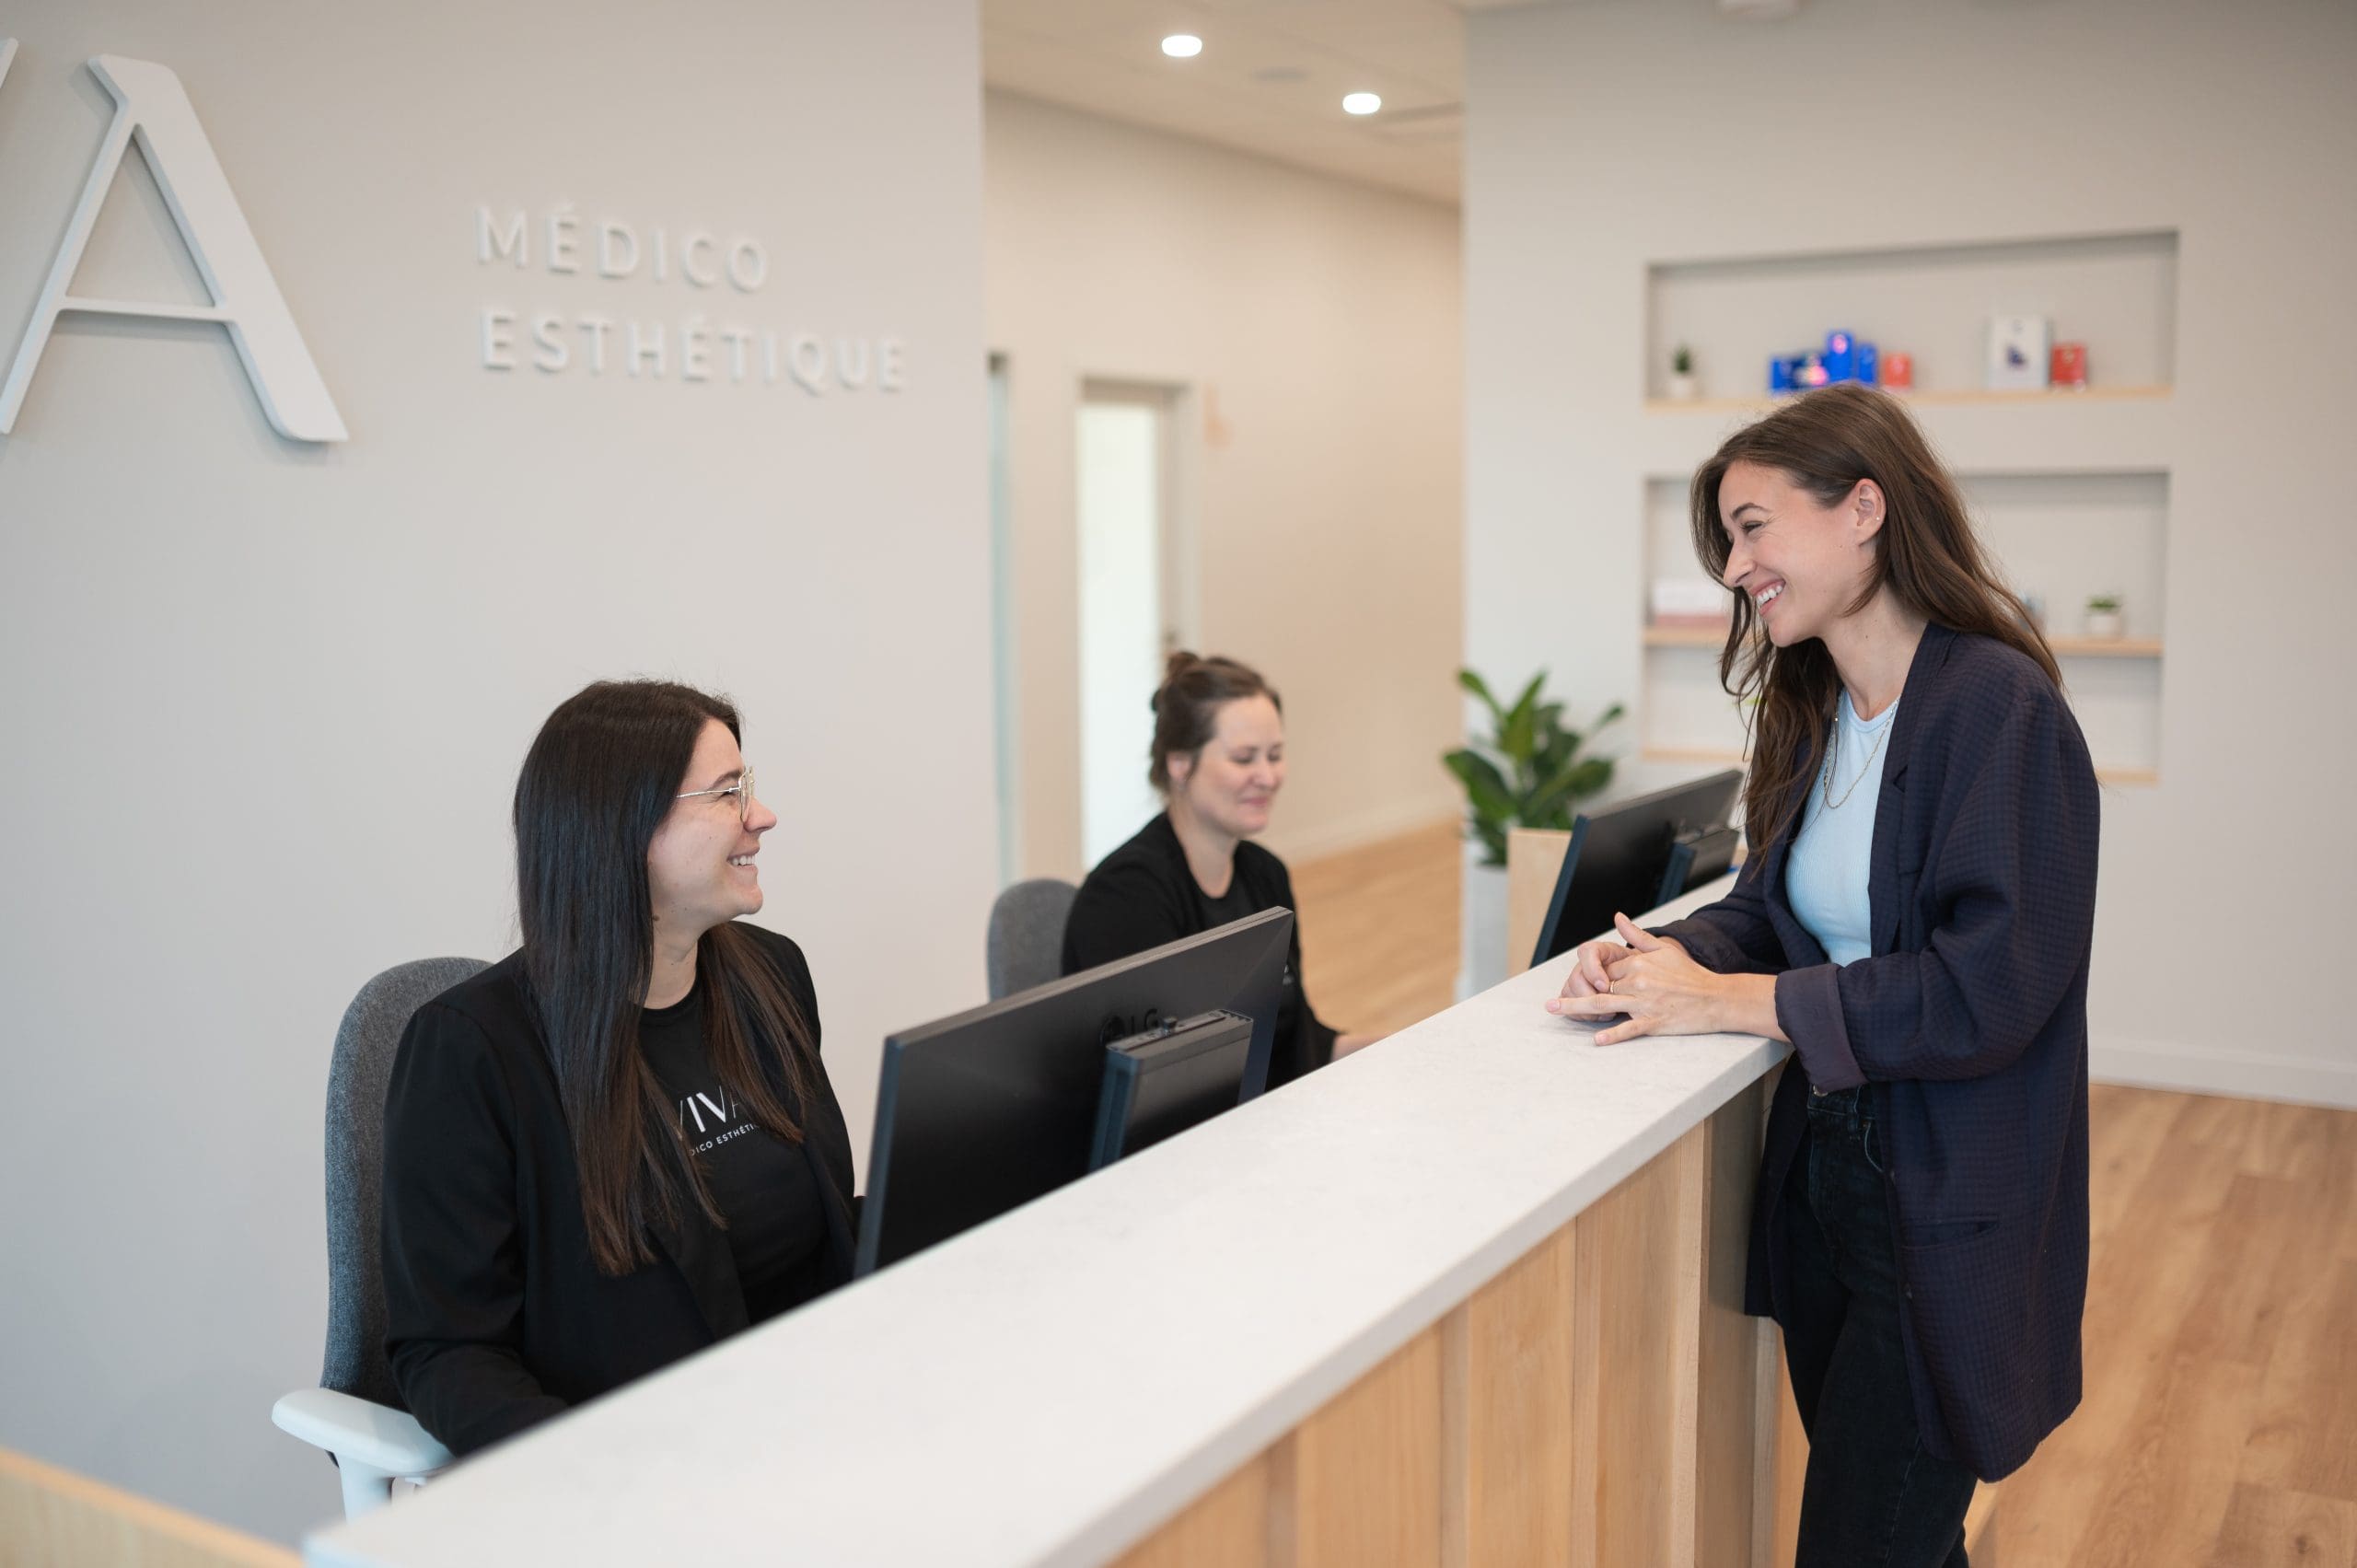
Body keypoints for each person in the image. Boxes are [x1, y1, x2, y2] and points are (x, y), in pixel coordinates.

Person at [1546, 384, 2098, 1566]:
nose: (1735, 566)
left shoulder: (1999, 710)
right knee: (1897, 1532)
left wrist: (1733, 1000)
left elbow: (1987, 987)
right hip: (1826, 1177)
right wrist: (1668, 956)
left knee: (1863, 1540)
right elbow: (1771, 907)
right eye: (1727, 540)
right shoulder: (1810, 706)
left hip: (1940, 1202)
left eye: (1751, 526)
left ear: (1863, 507)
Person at [381, 680, 858, 1458]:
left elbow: (826, 1228)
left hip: (814, 1421)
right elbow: (448, 1352)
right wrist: (602, 1476)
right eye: (728, 792)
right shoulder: (471, 1051)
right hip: (648, 1470)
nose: (760, 816)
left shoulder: (771, 977)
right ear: (624, 826)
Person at [1062, 652, 1377, 1087]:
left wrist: (1399, 1047)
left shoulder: (1267, 876)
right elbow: (1158, 1084)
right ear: (1179, 764)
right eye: (1245, 758)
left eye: (1275, 754)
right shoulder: (1125, 897)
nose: (1267, 777)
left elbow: (1294, 1041)